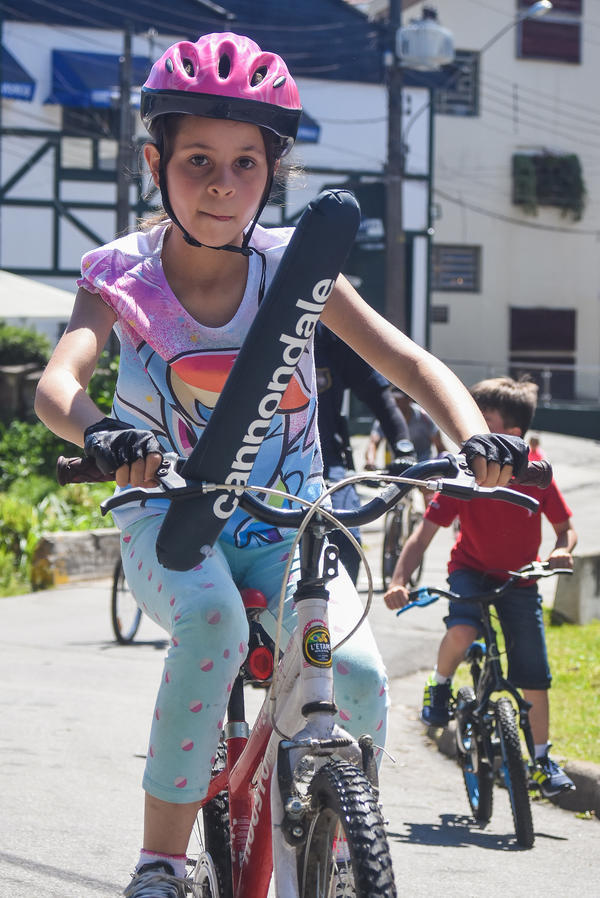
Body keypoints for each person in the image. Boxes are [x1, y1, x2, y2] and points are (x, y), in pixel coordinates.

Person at [34, 32, 529, 898]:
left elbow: (411, 364)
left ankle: (336, 850)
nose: (222, 183)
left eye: (245, 163)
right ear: (156, 163)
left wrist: (472, 436)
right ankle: (158, 860)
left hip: (291, 516)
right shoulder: (122, 276)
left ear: (274, 173)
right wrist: (101, 432)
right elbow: (58, 382)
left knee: (363, 673)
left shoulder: (297, 271)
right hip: (169, 519)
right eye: (196, 160)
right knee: (216, 627)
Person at [384, 376, 577, 798]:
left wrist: (561, 551)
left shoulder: (537, 473)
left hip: (521, 576)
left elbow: (566, 529)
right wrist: (398, 580)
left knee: (534, 676)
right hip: (470, 569)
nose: (468, 433)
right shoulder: (467, 473)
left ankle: (541, 759)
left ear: (511, 436)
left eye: (480, 423)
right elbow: (422, 536)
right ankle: (439, 684)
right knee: (463, 630)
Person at [314, 321, 411, 584]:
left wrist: (403, 447)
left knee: (346, 539)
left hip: (324, 463)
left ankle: (341, 624)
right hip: (250, 461)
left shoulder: (327, 329)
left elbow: (380, 397)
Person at [365, 386, 446, 468]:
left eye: (398, 399)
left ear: (409, 399)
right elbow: (373, 443)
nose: (395, 403)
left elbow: (440, 447)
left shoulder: (424, 417)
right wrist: (370, 461)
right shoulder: (385, 418)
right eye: (392, 400)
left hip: (423, 468)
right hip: (397, 467)